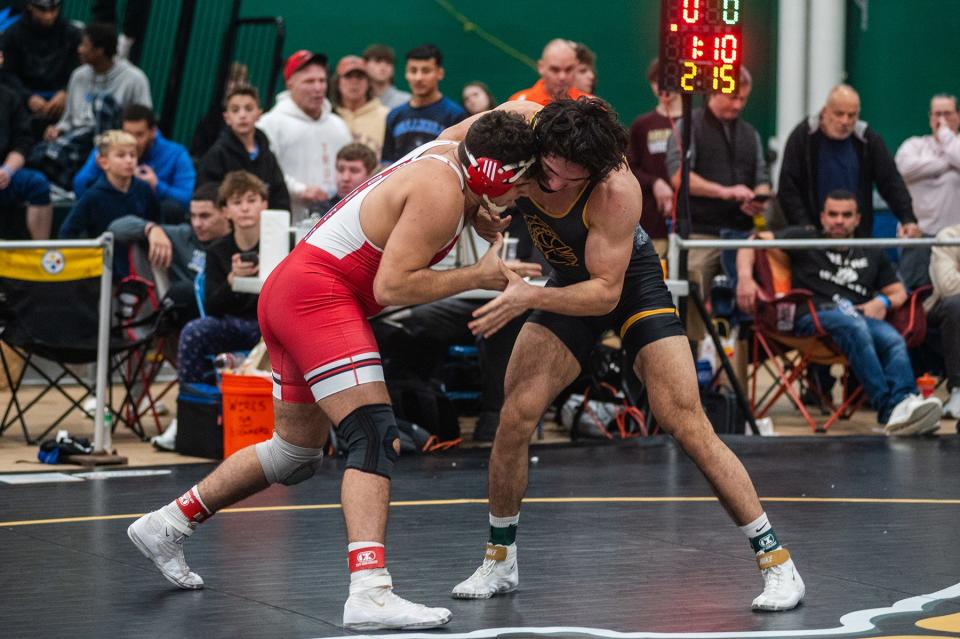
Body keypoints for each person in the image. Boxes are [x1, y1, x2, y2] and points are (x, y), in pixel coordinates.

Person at [127, 110, 542, 630]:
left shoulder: (452, 147)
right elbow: (393, 288)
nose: (524, 197)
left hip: (292, 289)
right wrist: (475, 274)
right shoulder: (440, 193)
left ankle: (167, 524)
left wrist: (479, 203)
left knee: (294, 452)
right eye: (522, 185)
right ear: (498, 174)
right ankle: (369, 590)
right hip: (319, 297)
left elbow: (510, 115)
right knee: (372, 434)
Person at [442, 97, 804, 611]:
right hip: (567, 279)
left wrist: (530, 297)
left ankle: (778, 562)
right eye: (546, 169)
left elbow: (605, 294)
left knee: (683, 417)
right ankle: (499, 560)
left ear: (594, 170)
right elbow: (444, 150)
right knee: (515, 415)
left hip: (627, 285)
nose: (552, 182)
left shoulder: (616, 190)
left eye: (568, 178)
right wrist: (474, 205)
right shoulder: (520, 124)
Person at [736, 189, 944, 435]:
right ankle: (890, 408)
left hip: (861, 317)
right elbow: (751, 241)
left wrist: (883, 303)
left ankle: (906, 402)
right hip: (814, 316)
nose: (838, 220)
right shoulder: (805, 239)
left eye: (846, 215)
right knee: (853, 325)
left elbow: (898, 292)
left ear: (857, 219)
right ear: (822, 217)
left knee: (892, 339)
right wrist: (745, 279)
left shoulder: (869, 249)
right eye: (833, 214)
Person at [664, 67, 769, 346]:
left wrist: (757, 200)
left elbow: (761, 179)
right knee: (689, 296)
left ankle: (737, 378)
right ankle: (690, 366)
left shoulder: (750, 134)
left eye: (744, 99)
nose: (738, 104)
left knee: (750, 312)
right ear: (713, 91)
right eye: (732, 97)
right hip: (701, 235)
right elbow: (678, 177)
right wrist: (725, 192)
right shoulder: (689, 126)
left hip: (742, 236)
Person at [778, 84, 920, 239]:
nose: (845, 121)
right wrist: (804, 227)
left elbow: (891, 181)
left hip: (857, 237)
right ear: (825, 112)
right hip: (812, 236)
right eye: (839, 114)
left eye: (851, 115)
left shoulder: (867, 139)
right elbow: (788, 187)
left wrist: (907, 218)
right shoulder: (803, 137)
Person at [29, 22, 152, 187]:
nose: (79, 49)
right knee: (39, 155)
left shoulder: (135, 78)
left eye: (84, 45)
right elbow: (69, 118)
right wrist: (58, 129)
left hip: (114, 139)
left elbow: (144, 119)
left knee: (102, 103)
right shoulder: (78, 76)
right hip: (77, 139)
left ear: (100, 51)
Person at [175, 171, 266, 386]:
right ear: (225, 211)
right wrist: (232, 281)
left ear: (264, 204)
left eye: (251, 200)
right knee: (194, 331)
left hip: (273, 325)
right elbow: (212, 307)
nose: (245, 208)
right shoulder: (217, 251)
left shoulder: (284, 243)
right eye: (237, 202)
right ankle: (198, 404)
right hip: (234, 325)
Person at [107, 181, 231, 329]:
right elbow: (115, 228)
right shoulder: (183, 235)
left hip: (229, 311)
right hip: (191, 318)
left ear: (225, 213)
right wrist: (151, 229)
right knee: (183, 292)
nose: (197, 224)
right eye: (193, 216)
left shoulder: (237, 241)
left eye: (205, 216)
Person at [257, 50, 351, 221]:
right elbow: (264, 172)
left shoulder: (339, 125)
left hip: (335, 221)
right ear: (290, 84)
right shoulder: (269, 124)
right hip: (287, 221)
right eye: (309, 81)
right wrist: (300, 190)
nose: (318, 88)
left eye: (322, 81)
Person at [58, 129, 160, 278]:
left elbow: (157, 220)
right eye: (121, 155)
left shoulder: (143, 189)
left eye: (133, 155)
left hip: (140, 268)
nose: (129, 160)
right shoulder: (93, 196)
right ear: (103, 162)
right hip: (103, 271)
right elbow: (67, 233)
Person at [74, 103, 195, 222]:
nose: (133, 141)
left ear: (153, 132)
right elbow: (79, 185)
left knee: (171, 209)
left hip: (154, 224)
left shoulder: (176, 154)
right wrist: (101, 167)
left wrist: (157, 186)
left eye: (139, 134)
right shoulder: (108, 149)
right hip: (111, 217)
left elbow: (188, 199)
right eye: (127, 133)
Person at [894, 93, 960, 288]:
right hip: (919, 236)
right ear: (930, 117)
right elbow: (904, 169)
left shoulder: (955, 144)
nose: (942, 120)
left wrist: (947, 138)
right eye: (937, 114)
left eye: (947, 114)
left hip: (955, 239)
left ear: (957, 116)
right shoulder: (914, 145)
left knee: (952, 295)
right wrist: (948, 162)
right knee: (915, 293)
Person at [198, 85, 290, 212]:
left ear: (259, 114)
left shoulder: (267, 155)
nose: (242, 115)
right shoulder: (217, 155)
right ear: (227, 118)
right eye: (235, 110)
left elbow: (281, 198)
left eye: (248, 109)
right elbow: (208, 198)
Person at [0, 0, 81, 137]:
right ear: (30, 7)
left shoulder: (72, 33)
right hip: (22, 101)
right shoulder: (12, 34)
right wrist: (28, 97)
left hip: (61, 103)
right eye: (42, 10)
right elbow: (7, 73)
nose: (49, 16)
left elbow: (80, 69)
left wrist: (65, 92)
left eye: (54, 10)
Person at [628, 58, 681, 257]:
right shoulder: (643, 125)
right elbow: (631, 167)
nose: (664, 89)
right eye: (658, 82)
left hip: (685, 220)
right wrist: (655, 182)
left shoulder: (693, 123)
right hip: (651, 219)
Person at [380, 44, 465, 164]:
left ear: (439, 73)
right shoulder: (394, 115)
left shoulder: (455, 115)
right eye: (413, 71)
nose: (418, 78)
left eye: (426, 71)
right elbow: (386, 162)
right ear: (406, 74)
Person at [0, 80, 53, 239]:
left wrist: (7, 170)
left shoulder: (9, 97)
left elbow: (23, 141)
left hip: (4, 172)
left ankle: (41, 255)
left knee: (37, 184)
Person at [926, 223, 960, 418]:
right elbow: (949, 287)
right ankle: (958, 390)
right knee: (957, 305)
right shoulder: (949, 236)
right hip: (943, 307)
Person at [331, 55, 389, 160]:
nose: (354, 82)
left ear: (368, 82)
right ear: (338, 82)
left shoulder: (386, 116)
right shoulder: (329, 116)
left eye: (360, 77)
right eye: (348, 76)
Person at [508, 39, 592, 106]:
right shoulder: (519, 104)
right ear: (541, 67)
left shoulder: (590, 105)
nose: (562, 77)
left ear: (576, 67)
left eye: (568, 69)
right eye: (555, 70)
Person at [314, 142, 377, 216]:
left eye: (354, 170)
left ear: (370, 176)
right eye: (340, 170)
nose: (345, 178)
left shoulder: (380, 212)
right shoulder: (320, 211)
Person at [362, 43, 411, 111]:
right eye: (377, 61)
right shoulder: (358, 102)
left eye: (388, 62)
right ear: (365, 65)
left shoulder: (407, 101)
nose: (383, 67)